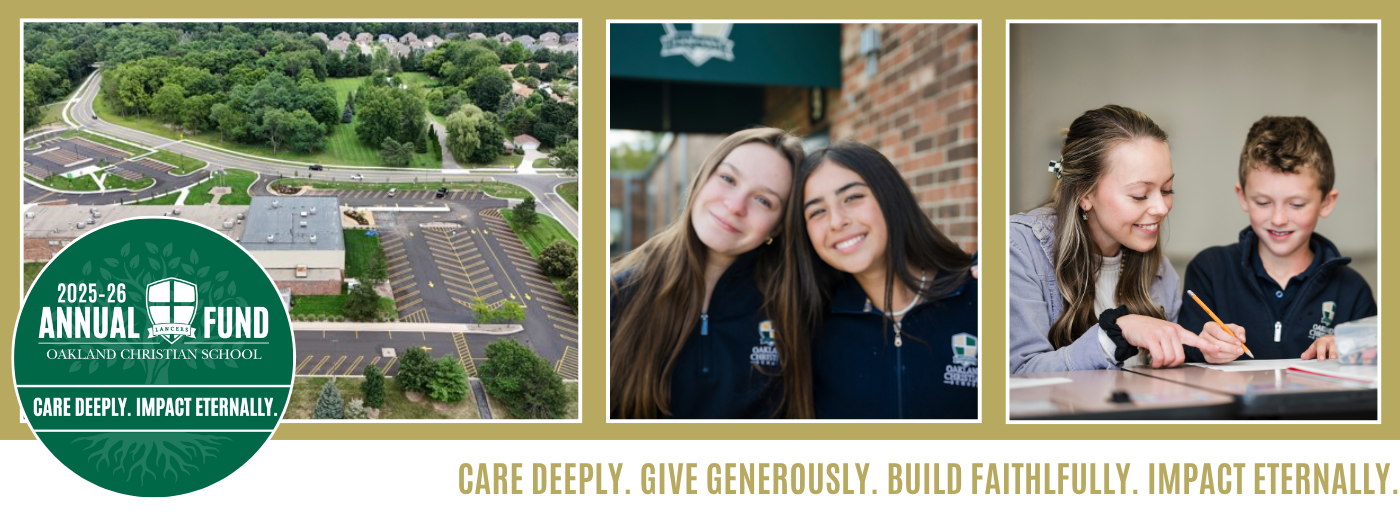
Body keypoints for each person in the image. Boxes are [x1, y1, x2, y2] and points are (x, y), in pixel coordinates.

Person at [1009, 105, 1244, 373]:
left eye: (1167, 189)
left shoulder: (1159, 270)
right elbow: (1017, 374)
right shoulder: (1019, 248)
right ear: (1084, 194)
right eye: (1140, 195)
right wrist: (1116, 333)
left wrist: (1201, 348)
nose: (1161, 207)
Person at [610, 128, 812, 419]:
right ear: (702, 180)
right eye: (728, 179)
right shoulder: (617, 297)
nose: (734, 206)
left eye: (764, 200)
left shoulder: (797, 308)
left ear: (778, 227)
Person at [776, 141, 976, 419]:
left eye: (852, 197)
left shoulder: (980, 294)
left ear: (890, 196)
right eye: (817, 211)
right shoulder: (807, 323)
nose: (836, 221)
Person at [1180, 116, 1376, 361]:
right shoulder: (1210, 270)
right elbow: (1183, 357)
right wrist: (1202, 348)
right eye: (1263, 202)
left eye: (1296, 204)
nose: (1279, 218)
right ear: (1242, 196)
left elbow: (1375, 369)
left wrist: (1348, 347)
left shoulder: (1352, 290)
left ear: (1326, 202)